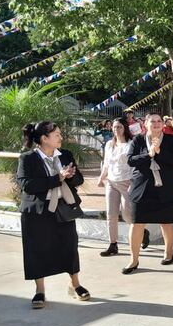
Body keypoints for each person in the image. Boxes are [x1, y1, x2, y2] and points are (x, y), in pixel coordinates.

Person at [17, 121, 90, 308]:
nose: (61, 137)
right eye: (57, 134)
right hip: (37, 211)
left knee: (70, 246)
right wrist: (58, 178)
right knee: (36, 250)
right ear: (44, 138)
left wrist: (71, 176)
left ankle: (75, 285)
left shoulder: (65, 155)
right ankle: (39, 291)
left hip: (63, 208)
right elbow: (27, 185)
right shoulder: (27, 158)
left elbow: (78, 179)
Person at [123, 114, 173, 274]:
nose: (156, 124)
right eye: (152, 121)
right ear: (146, 124)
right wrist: (148, 154)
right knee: (137, 224)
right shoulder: (138, 140)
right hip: (142, 189)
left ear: (163, 124)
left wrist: (159, 151)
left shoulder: (171, 140)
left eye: (159, 121)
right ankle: (133, 260)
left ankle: (169, 253)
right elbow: (130, 160)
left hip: (166, 189)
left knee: (166, 222)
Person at [97, 117, 148, 256]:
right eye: (114, 127)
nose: (116, 130)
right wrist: (101, 178)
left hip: (127, 182)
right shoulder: (109, 144)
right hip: (111, 182)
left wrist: (133, 182)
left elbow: (135, 164)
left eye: (119, 127)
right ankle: (113, 244)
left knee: (127, 214)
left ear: (125, 128)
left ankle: (142, 233)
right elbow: (106, 163)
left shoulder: (131, 144)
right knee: (111, 214)